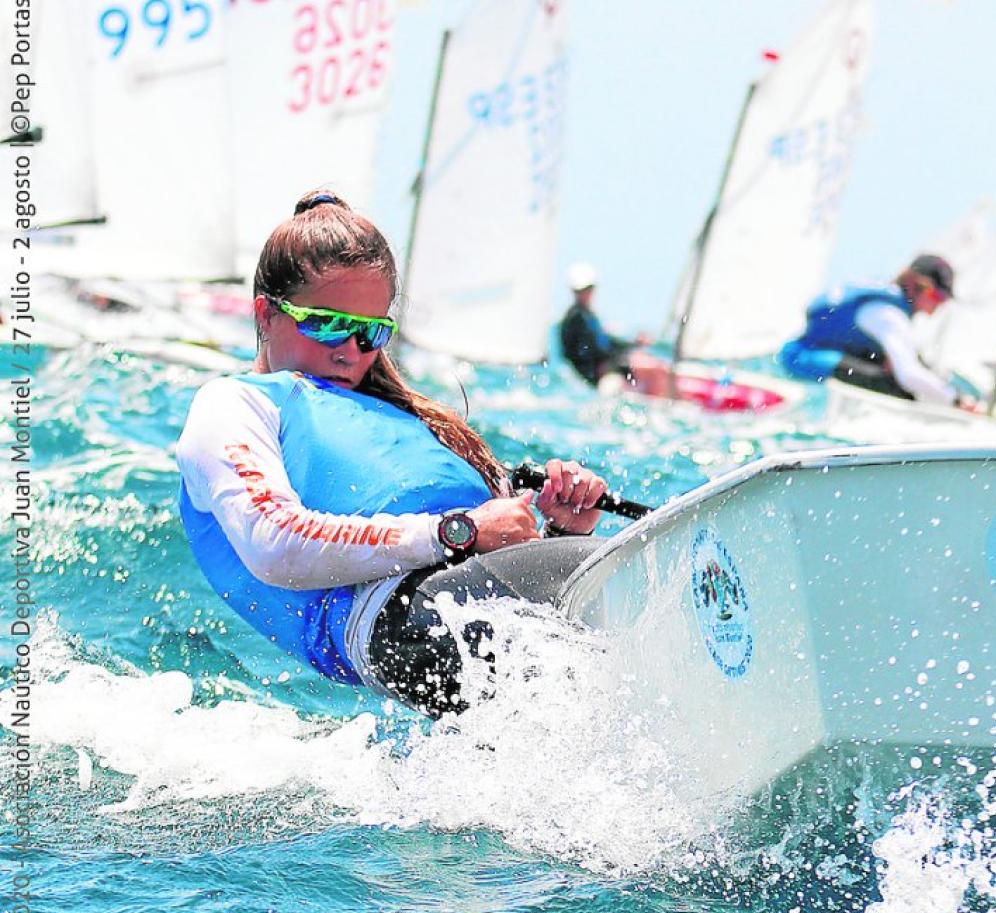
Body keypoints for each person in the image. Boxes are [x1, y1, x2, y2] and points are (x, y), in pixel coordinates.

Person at [178, 191, 613, 716]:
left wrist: (560, 529)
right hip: (395, 620)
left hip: (469, 595)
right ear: (266, 315)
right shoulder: (233, 403)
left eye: (370, 333)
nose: (349, 350)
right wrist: (460, 532)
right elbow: (273, 543)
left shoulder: (410, 417)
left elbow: (497, 543)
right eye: (327, 323)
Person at [779, 254, 971, 408]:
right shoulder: (889, 315)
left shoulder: (884, 301)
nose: (939, 305)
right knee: (901, 390)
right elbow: (909, 375)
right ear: (916, 285)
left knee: (910, 364)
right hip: (803, 360)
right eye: (937, 296)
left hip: (806, 355)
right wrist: (957, 401)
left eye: (943, 299)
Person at [558, 262, 675, 396]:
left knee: (655, 365)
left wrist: (634, 344)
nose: (585, 293)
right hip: (602, 370)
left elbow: (606, 342)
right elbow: (589, 352)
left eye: (588, 289)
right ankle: (662, 403)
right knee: (655, 368)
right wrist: (624, 354)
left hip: (607, 365)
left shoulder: (588, 316)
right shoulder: (576, 318)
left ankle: (658, 399)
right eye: (581, 290)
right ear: (574, 292)